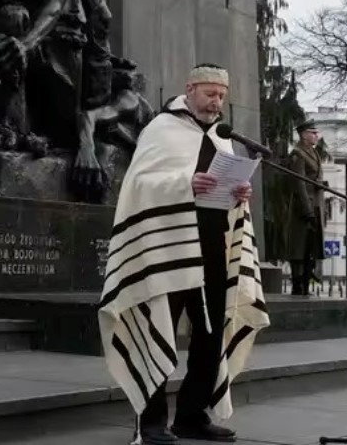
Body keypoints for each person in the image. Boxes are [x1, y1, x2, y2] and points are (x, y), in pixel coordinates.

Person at [98, 64, 271, 445]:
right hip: (167, 247)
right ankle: (152, 421)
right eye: (210, 94)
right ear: (189, 89)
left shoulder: (223, 138)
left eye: (222, 96)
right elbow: (139, 184)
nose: (216, 102)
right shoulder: (161, 129)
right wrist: (184, 183)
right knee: (157, 324)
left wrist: (239, 196)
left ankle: (192, 416)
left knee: (210, 336)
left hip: (213, 245)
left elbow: (225, 188)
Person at [281, 120, 326, 296]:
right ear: (303, 135)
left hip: (315, 205)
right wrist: (307, 210)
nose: (316, 136)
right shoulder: (298, 154)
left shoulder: (313, 153)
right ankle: (298, 284)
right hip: (302, 208)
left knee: (311, 248)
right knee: (299, 248)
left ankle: (306, 283)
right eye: (313, 132)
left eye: (317, 132)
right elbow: (299, 183)